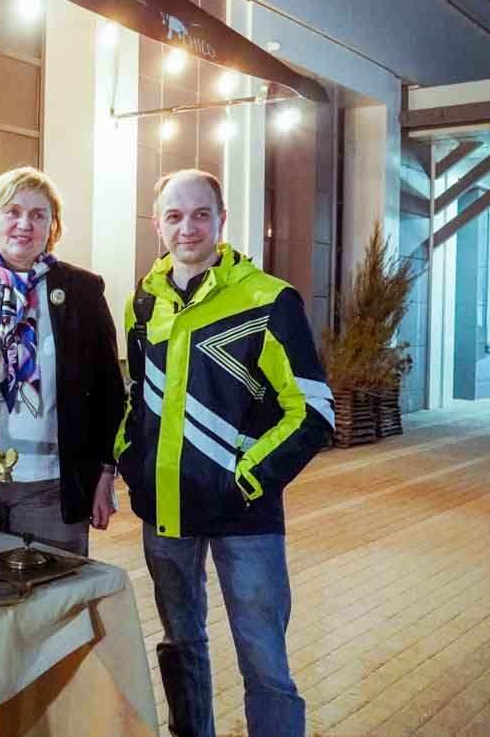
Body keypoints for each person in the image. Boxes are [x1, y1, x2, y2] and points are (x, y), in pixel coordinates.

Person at [116, 169, 334, 737]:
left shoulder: (269, 299)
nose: (187, 227)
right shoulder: (143, 303)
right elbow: (136, 396)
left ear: (222, 220)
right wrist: (132, 465)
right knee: (180, 646)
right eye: (174, 216)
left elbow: (314, 411)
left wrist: (244, 480)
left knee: (265, 664)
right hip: (165, 512)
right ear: (157, 223)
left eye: (200, 214)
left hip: (247, 517)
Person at [0, 166, 126, 556]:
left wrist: (106, 473)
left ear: (52, 226)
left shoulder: (82, 291)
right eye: (12, 212)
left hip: (52, 486)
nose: (25, 224)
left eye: (38, 214)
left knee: (53, 589)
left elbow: (109, 391)